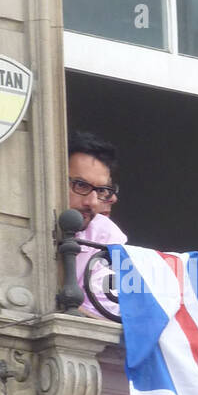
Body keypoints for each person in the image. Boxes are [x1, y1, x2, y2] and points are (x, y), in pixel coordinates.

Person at [67, 130, 126, 315]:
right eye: (81, 185)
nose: (92, 202)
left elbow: (110, 314)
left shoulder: (105, 234)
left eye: (101, 190)